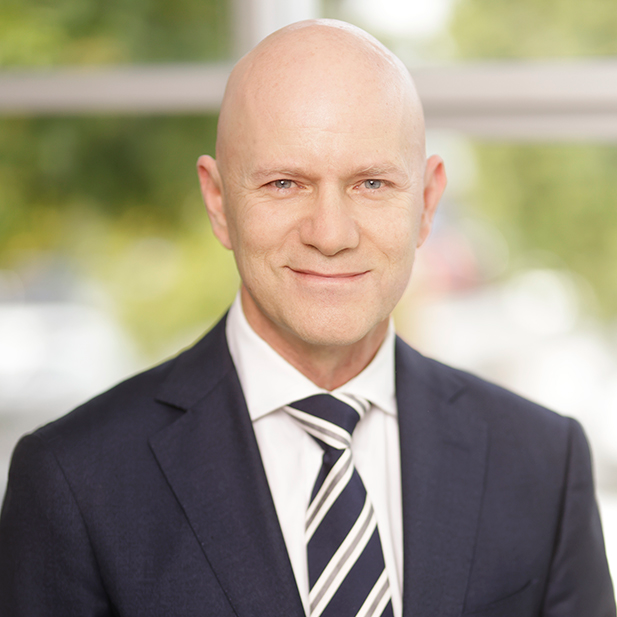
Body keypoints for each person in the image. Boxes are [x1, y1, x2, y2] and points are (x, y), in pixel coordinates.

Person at [0, 19, 614, 617]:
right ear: (219, 201)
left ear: (427, 202)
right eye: (284, 183)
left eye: (372, 183)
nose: (331, 234)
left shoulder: (543, 463)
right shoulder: (74, 481)